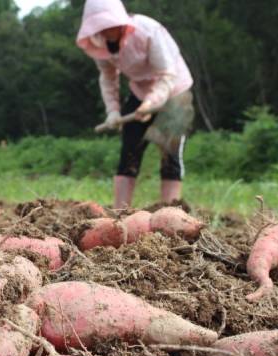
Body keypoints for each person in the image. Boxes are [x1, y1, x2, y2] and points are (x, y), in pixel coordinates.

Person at [76, 0, 195, 209]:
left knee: (170, 152)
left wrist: (151, 103)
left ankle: (169, 213)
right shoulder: (100, 45)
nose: (105, 31)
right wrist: (112, 111)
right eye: (99, 27)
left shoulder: (148, 31)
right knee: (129, 149)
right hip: (140, 90)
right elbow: (108, 77)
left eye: (108, 25)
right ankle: (121, 212)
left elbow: (167, 75)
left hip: (174, 89)